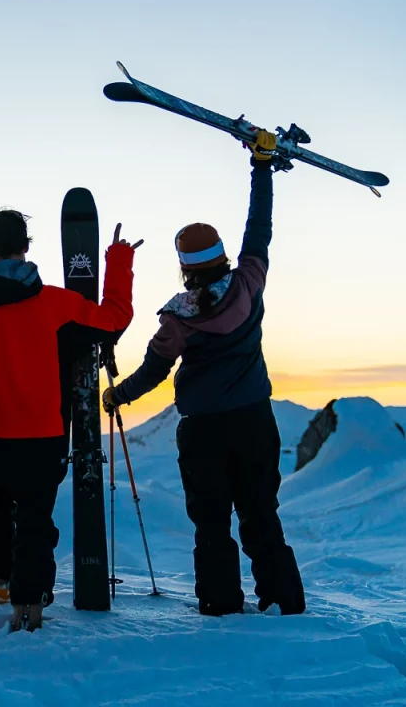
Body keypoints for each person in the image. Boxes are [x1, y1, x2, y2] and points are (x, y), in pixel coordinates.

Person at [103, 129, 306, 617]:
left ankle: (219, 603)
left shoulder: (178, 316)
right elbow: (260, 228)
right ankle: (284, 601)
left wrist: (117, 396)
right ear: (221, 257)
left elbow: (154, 369)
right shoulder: (249, 284)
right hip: (256, 420)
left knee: (211, 521)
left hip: (204, 432)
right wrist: (261, 168)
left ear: (184, 267)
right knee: (261, 514)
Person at [0, 209, 135, 631]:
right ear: (26, 246)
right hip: (43, 436)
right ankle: (31, 607)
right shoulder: (58, 305)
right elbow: (113, 319)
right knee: (35, 519)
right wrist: (118, 260)